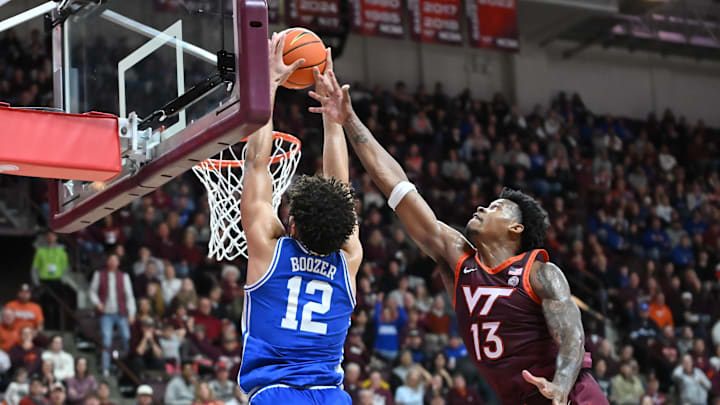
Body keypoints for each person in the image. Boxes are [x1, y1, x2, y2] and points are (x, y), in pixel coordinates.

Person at [309, 73, 608, 404]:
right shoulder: (457, 259)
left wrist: (561, 387)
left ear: (516, 229)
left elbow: (571, 337)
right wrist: (348, 119)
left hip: (571, 396)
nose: (482, 206)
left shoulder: (538, 273)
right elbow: (398, 187)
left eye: (496, 208)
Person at [236, 34, 361, 405]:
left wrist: (268, 83)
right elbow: (340, 188)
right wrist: (334, 120)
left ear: (291, 225)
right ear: (344, 227)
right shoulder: (347, 261)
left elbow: (257, 161)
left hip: (277, 394)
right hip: (332, 395)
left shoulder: (269, 252)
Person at [89, 254, 136, 376]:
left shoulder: (124, 276)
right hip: (106, 314)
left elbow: (129, 296)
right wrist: (97, 303)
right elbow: (92, 292)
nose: (113, 262)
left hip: (121, 313)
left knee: (127, 337)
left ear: (118, 262)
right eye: (111, 259)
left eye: (115, 260)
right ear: (107, 261)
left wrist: (131, 313)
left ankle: (127, 363)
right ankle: (106, 368)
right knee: (106, 340)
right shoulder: (99, 274)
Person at [31, 231, 72, 330]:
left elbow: (65, 268)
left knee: (57, 305)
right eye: (48, 235)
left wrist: (64, 280)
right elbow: (35, 268)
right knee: (44, 305)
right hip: (44, 281)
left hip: (57, 281)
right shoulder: (40, 251)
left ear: (56, 237)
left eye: (53, 235)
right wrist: (36, 282)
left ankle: (57, 328)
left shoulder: (62, 252)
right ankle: (46, 327)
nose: (51, 237)